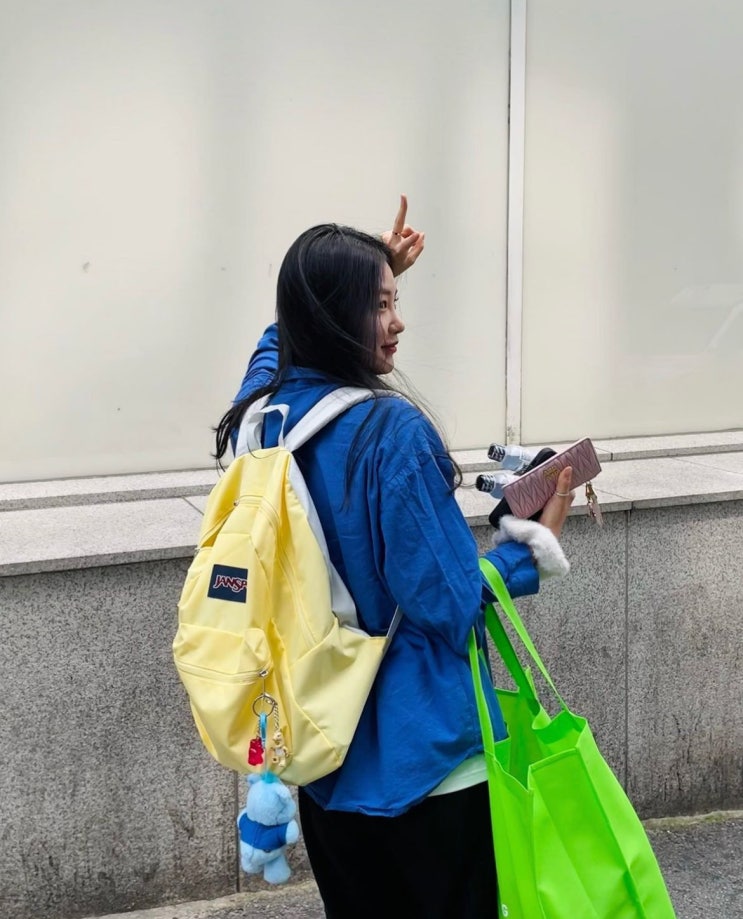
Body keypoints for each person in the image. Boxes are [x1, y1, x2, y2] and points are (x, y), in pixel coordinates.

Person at [214, 197, 574, 918]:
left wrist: (356, 277)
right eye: (380, 305)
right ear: (331, 318)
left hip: (323, 760)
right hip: (427, 765)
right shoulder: (391, 433)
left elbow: (271, 349)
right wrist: (532, 544)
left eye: (393, 300)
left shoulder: (262, 419)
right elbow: (447, 603)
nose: (398, 321)